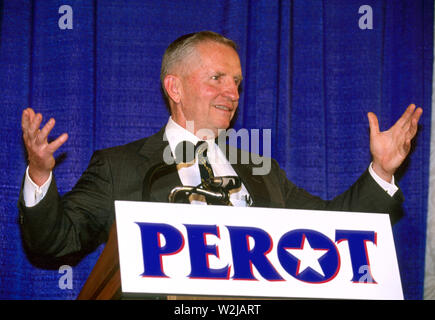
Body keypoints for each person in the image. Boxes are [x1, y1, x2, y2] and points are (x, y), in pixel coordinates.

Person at [19, 31, 422, 258]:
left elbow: (334, 230)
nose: (232, 92)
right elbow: (54, 242)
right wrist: (39, 175)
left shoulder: (263, 170)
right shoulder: (118, 167)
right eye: (217, 79)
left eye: (237, 83)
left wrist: (382, 171)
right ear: (174, 87)